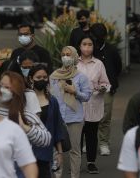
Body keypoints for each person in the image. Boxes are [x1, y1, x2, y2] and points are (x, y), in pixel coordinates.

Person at [50, 46, 92, 178]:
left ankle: (75, 176)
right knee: (56, 151)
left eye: (68, 54)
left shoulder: (81, 77)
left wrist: (75, 92)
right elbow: (50, 96)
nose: (65, 57)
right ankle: (57, 175)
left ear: (74, 57)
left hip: (74, 118)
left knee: (74, 150)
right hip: (58, 118)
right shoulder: (54, 76)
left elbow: (87, 96)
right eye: (63, 54)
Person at [77, 35, 111, 174]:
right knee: (77, 136)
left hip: (93, 103)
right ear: (79, 46)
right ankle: (76, 162)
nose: (87, 47)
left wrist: (102, 88)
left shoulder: (98, 64)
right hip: (77, 105)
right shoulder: (73, 63)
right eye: (84, 44)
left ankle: (91, 162)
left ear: (93, 46)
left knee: (91, 135)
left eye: (90, 44)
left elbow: (106, 83)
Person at [90, 23, 122, 156]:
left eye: (99, 37)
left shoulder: (112, 50)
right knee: (89, 117)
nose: (97, 40)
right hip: (90, 89)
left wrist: (112, 82)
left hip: (107, 89)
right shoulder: (87, 50)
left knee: (105, 117)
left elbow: (118, 67)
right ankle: (89, 143)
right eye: (94, 37)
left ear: (104, 36)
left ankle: (103, 143)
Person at [27, 65, 64, 178]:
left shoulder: (52, 101)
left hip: (46, 151)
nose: (42, 80)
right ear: (31, 79)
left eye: (44, 77)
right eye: (38, 77)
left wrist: (60, 153)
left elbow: (57, 128)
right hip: (28, 150)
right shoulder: (25, 99)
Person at [0, 71, 51, 147]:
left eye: (7, 87)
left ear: (16, 91)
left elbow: (46, 139)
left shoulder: (25, 115)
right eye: (0, 85)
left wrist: (24, 127)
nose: (1, 90)